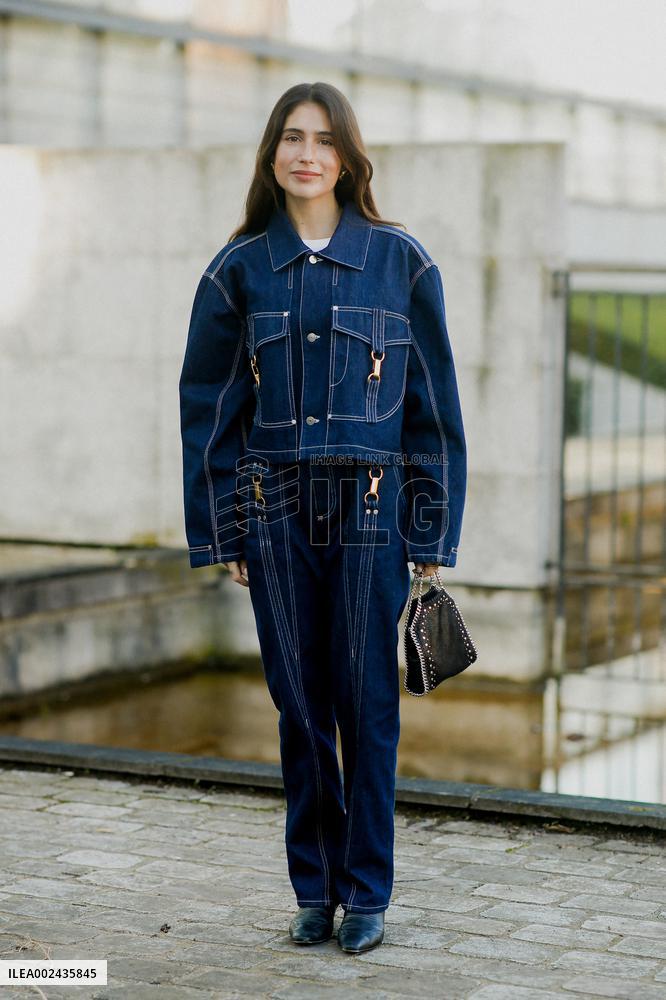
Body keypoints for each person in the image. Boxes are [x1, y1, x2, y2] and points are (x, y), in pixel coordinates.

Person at [179, 81, 467, 955]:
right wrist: (224, 528)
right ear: (272, 155)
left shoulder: (401, 262)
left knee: (367, 701)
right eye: (290, 138)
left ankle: (367, 889)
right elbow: (208, 410)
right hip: (273, 511)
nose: (306, 154)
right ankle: (316, 885)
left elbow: (434, 413)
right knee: (297, 705)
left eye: (322, 139)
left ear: (347, 157)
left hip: (371, 512)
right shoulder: (236, 271)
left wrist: (431, 541)